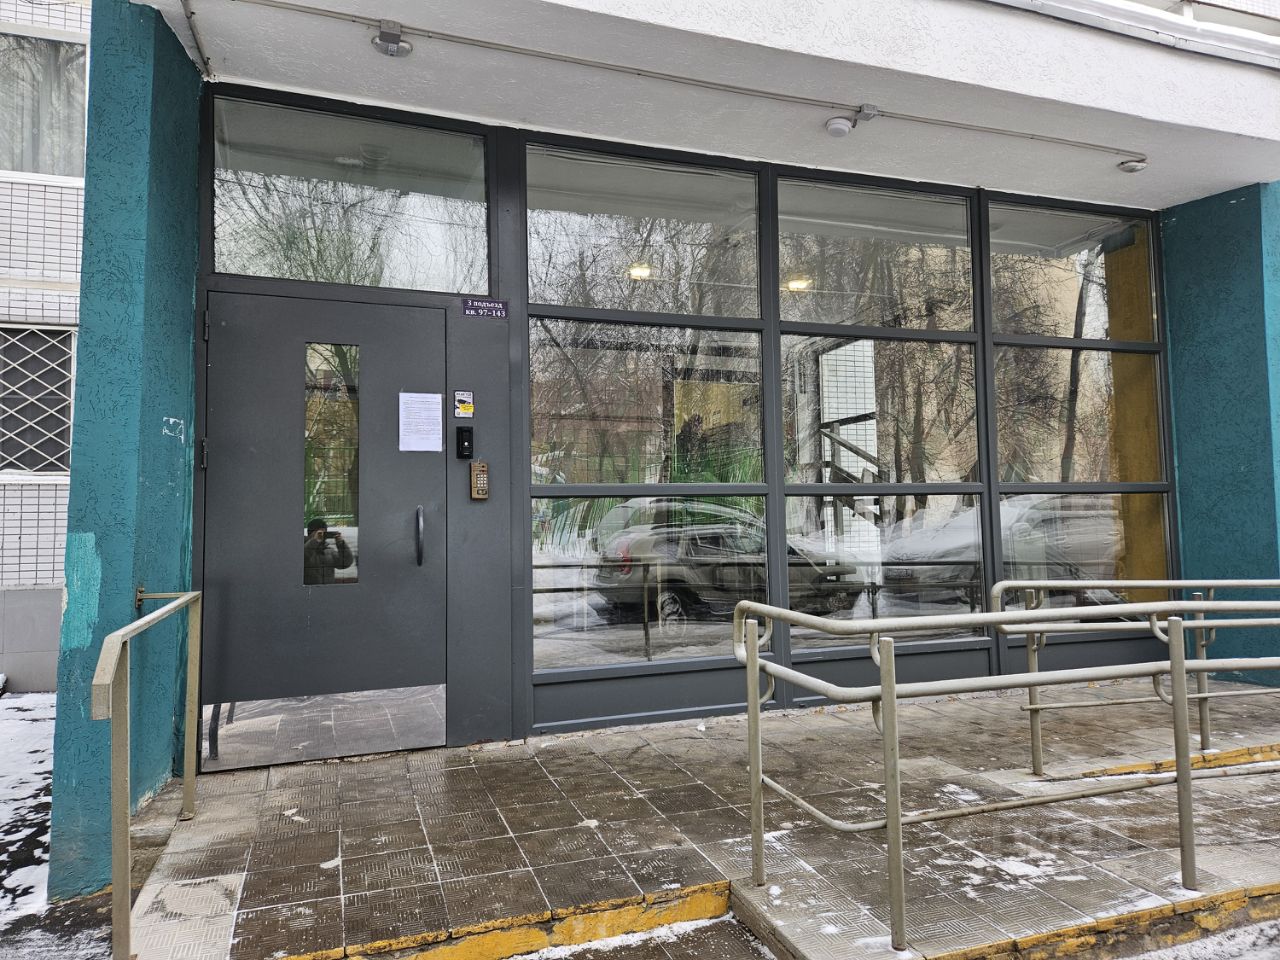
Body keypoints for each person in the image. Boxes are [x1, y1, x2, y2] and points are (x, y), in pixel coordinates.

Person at [304, 518, 354, 584]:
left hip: (328, 589)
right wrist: (314, 541)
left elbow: (346, 563)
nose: (322, 535)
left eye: (324, 533)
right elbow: (303, 558)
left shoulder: (329, 551)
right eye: (319, 533)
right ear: (311, 533)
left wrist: (341, 544)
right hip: (308, 590)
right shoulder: (303, 548)